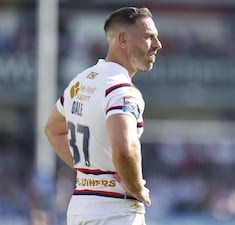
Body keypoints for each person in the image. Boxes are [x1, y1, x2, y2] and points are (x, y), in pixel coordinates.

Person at [44, 6, 162, 225]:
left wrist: (93, 172)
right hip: (116, 210)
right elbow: (124, 149)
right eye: (148, 37)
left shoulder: (81, 81)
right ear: (123, 40)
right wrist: (137, 187)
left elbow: (52, 129)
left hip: (81, 206)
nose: (157, 44)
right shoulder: (122, 91)